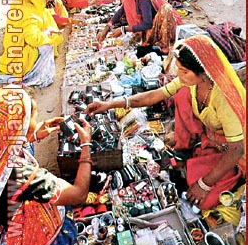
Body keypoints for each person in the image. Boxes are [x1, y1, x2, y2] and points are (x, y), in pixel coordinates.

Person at [84, 35, 245, 211]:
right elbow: (154, 95)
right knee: (182, 95)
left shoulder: (223, 98)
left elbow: (237, 148)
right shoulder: (191, 83)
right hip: (211, 136)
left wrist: (205, 184)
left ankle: (223, 172)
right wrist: (110, 104)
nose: (179, 75)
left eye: (184, 71)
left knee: (203, 198)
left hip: (235, 150)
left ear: (204, 72)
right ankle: (188, 150)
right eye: (179, 69)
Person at [0, 86, 92, 245]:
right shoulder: (21, 175)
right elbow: (79, 194)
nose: (37, 121)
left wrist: (31, 136)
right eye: (33, 118)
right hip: (28, 238)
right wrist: (86, 145)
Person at [97, 0, 182, 53]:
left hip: (159, 31)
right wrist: (108, 26)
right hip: (150, 28)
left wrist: (124, 29)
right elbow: (122, 10)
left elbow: (147, 24)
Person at [0, 0, 63, 88]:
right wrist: (48, 33)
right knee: (48, 44)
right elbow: (33, 39)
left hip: (13, 51)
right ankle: (37, 74)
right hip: (20, 58)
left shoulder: (21, 3)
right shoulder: (30, 15)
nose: (46, 1)